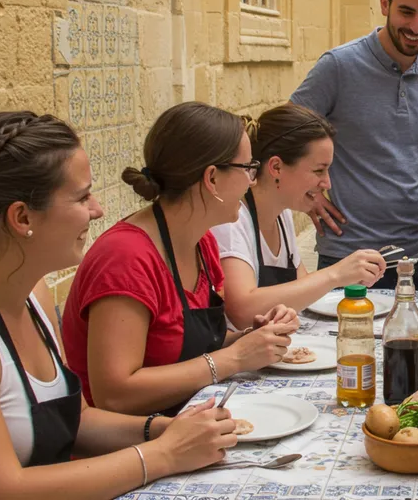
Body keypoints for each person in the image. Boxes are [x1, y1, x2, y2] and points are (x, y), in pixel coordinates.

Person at [0, 112, 235, 498]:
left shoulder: (32, 293)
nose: (98, 209)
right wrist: (162, 454)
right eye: (83, 196)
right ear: (22, 217)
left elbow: (77, 420)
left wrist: (162, 430)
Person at [63, 102, 297, 416]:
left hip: (187, 421)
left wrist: (250, 340)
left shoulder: (202, 242)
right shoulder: (125, 258)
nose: (252, 182)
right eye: (248, 169)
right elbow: (114, 394)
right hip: (130, 446)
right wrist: (234, 359)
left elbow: (179, 345)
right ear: (212, 178)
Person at [290, 0, 418, 291]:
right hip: (346, 258)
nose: (415, 27)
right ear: (385, 3)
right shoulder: (337, 66)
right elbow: (285, 132)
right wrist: (308, 195)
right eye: (406, 12)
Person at [212, 105, 387, 329]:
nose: (327, 183)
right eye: (318, 171)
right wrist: (336, 274)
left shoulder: (281, 214)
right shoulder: (232, 220)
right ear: (276, 166)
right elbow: (242, 310)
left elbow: (300, 288)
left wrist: (351, 276)